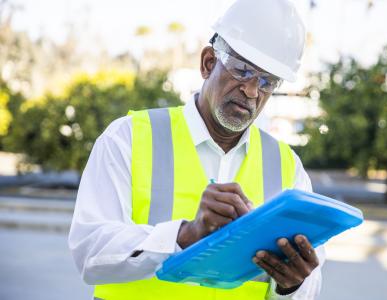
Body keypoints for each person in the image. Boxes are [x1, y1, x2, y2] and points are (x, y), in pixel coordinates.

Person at [68, 0, 326, 299]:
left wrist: (291, 285)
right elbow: (89, 252)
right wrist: (184, 236)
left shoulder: (286, 166)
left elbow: (310, 285)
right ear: (208, 63)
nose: (252, 91)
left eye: (268, 82)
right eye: (242, 71)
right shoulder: (128, 137)